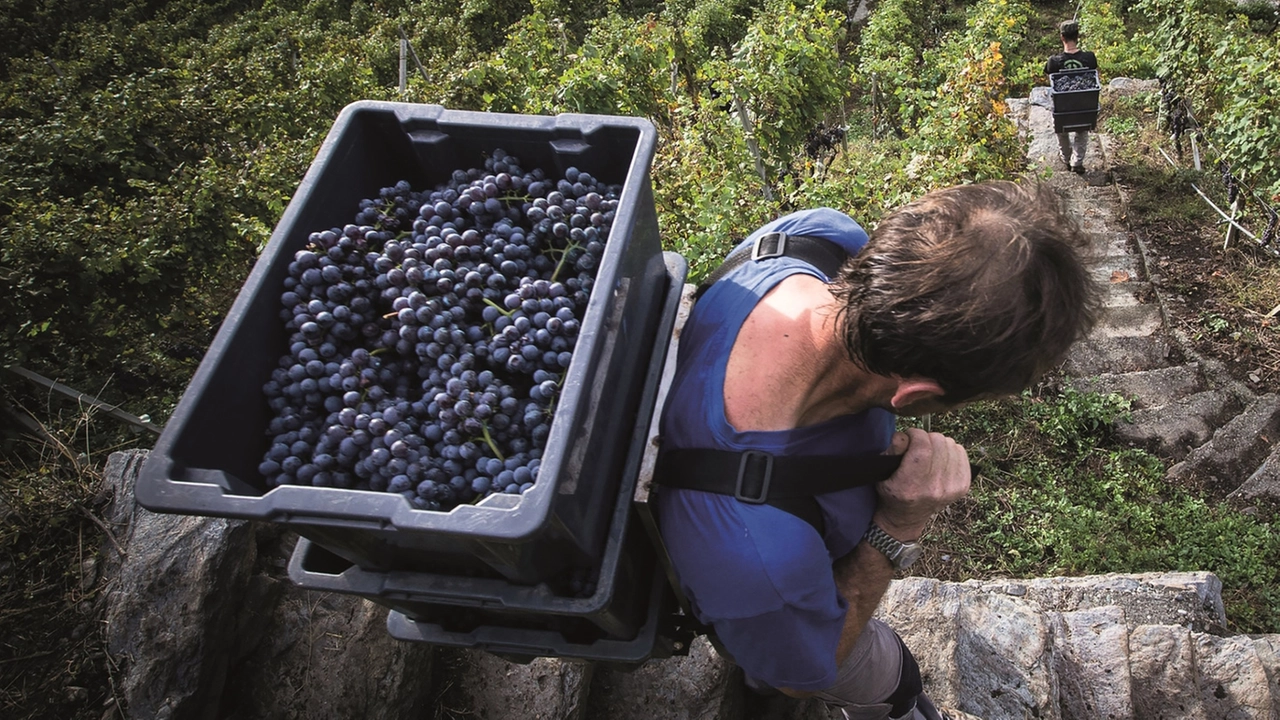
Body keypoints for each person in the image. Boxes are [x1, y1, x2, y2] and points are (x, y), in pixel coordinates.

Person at [653, 182, 1100, 720]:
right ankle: (767, 660)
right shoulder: (763, 551)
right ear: (915, 394)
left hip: (763, 570)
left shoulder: (812, 239)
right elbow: (804, 674)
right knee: (891, 682)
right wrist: (898, 526)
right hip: (769, 594)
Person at [1045, 20, 1099, 174]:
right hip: (1084, 107)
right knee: (1082, 130)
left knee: (1061, 129)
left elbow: (1051, 83)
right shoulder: (1089, 58)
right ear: (1078, 36)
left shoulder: (1053, 62)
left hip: (1063, 108)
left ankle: (1066, 158)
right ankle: (1077, 161)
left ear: (1062, 37)